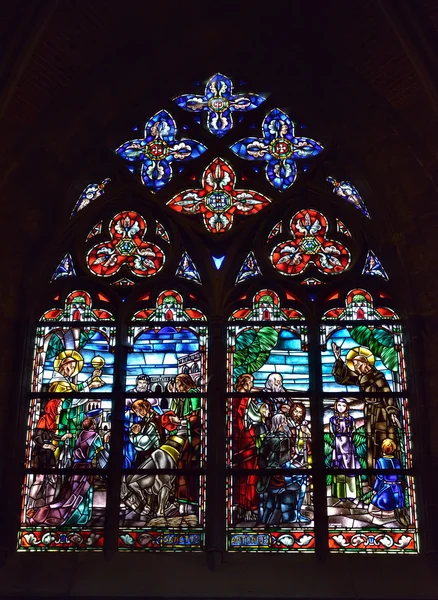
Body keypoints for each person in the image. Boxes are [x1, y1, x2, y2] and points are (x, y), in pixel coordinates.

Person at [331, 342, 401, 469]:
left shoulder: (378, 377)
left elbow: (387, 394)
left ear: (366, 363)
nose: (356, 367)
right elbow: (343, 378)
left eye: (358, 364)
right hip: (370, 412)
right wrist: (338, 358)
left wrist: (392, 412)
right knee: (371, 443)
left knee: (381, 440)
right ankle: (373, 477)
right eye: (354, 365)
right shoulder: (361, 378)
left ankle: (386, 472)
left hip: (381, 414)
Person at [27, 417, 108, 526]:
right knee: (83, 493)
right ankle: (81, 516)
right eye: (94, 424)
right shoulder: (95, 436)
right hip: (87, 469)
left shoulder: (81, 435)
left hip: (75, 468)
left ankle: (50, 512)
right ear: (93, 426)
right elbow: (101, 453)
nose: (95, 426)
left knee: (70, 493)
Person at [257, 413, 310, 525]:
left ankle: (265, 520)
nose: (286, 423)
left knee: (271, 500)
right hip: (279, 477)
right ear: (280, 423)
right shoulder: (284, 439)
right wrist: (298, 468)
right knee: (302, 479)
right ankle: (296, 514)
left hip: (268, 477)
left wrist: (266, 470)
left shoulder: (268, 437)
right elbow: (284, 464)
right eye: (285, 421)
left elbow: (261, 458)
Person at [49, 350, 105, 445]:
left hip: (66, 420)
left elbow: (76, 388)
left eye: (74, 368)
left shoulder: (64, 382)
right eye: (71, 367)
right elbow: (70, 400)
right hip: (61, 421)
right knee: (61, 444)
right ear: (63, 364)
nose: (72, 370)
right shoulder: (58, 384)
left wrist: (92, 378)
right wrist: (91, 386)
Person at [27, 399, 72, 511]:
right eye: (59, 406)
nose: (61, 408)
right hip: (41, 452)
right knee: (40, 479)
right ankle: (30, 505)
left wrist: (62, 437)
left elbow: (50, 435)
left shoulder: (52, 419)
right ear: (53, 407)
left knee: (53, 478)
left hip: (49, 453)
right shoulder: (44, 419)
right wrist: (47, 446)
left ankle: (48, 506)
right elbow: (37, 437)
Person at [165, 373, 201, 513]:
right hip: (186, 433)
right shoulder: (184, 395)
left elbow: (195, 417)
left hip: (196, 435)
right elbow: (176, 411)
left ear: (185, 383)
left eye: (179, 384)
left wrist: (180, 422)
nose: (178, 387)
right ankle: (183, 500)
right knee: (179, 462)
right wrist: (173, 394)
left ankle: (189, 501)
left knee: (184, 463)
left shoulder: (193, 393)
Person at [369, 438, 408, 526]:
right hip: (398, 491)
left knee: (371, 510)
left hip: (387, 490)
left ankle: (394, 514)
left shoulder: (380, 461)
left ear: (382, 449)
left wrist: (375, 490)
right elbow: (401, 476)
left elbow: (379, 478)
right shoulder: (397, 461)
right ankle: (396, 513)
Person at [329, 398, 361, 501]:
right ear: (336, 406)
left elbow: (354, 431)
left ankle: (351, 494)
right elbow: (331, 433)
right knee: (339, 469)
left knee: (351, 469)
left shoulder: (351, 419)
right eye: (339, 405)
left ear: (346, 407)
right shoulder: (332, 419)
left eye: (343, 405)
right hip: (338, 445)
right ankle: (341, 494)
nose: (341, 408)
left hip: (349, 446)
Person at [129, 399, 161, 466]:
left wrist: (132, 435)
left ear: (145, 408)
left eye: (138, 411)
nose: (137, 414)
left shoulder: (154, 421)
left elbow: (142, 444)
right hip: (148, 456)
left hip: (154, 458)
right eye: (136, 412)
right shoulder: (144, 421)